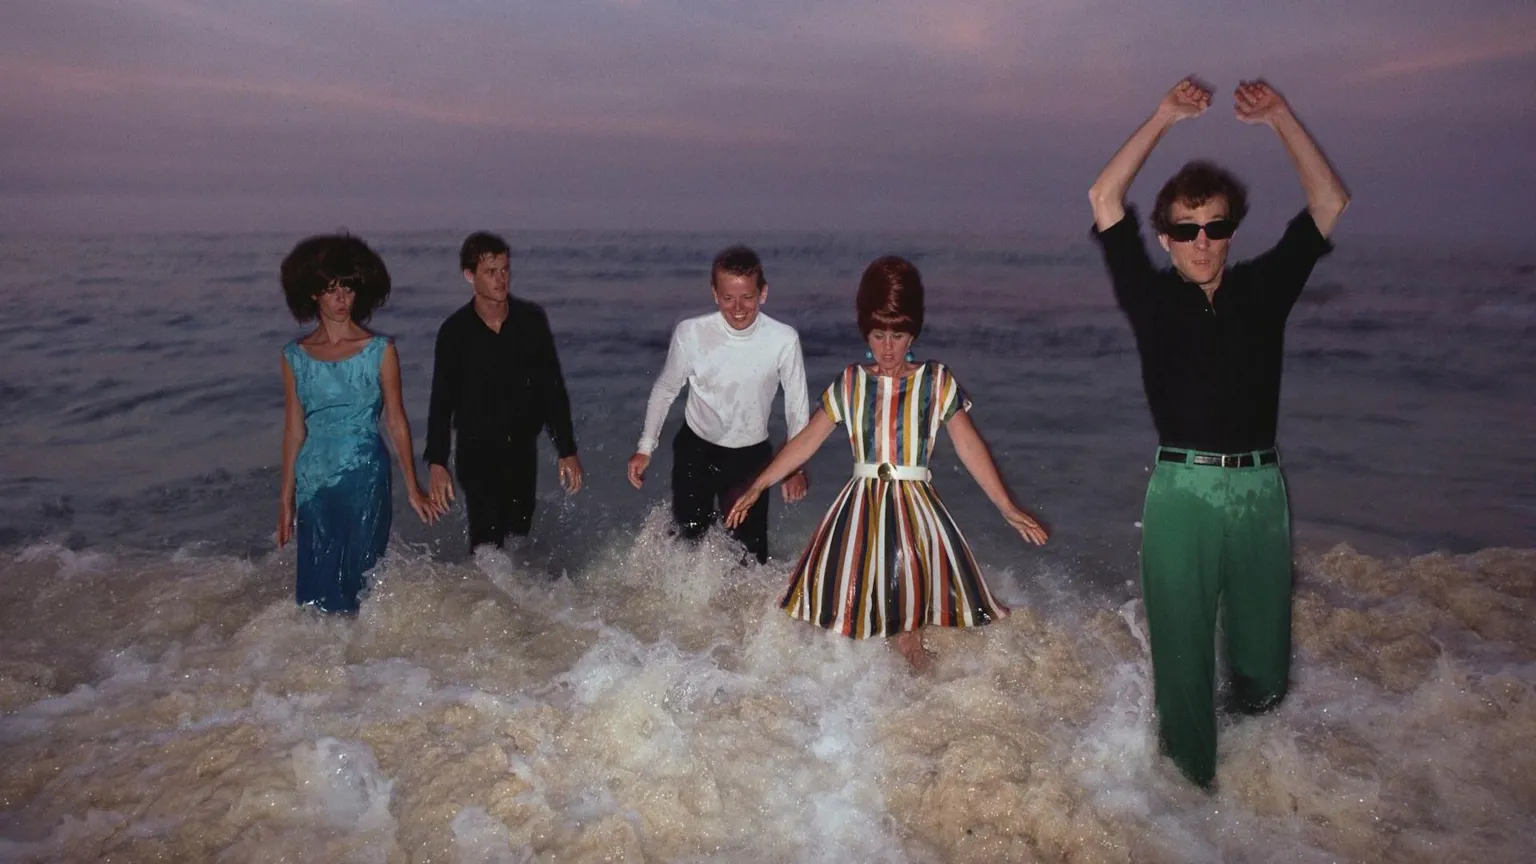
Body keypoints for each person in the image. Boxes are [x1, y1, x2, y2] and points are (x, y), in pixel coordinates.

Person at [1087, 78, 1350, 789]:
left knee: (1265, 667)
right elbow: (1104, 198)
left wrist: (1283, 118)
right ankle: (1189, 807)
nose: (1201, 243)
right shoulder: (1148, 296)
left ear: (1232, 229)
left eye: (1215, 227)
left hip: (1262, 491)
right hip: (1181, 492)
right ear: (1165, 236)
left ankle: (1255, 784)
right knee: (1182, 664)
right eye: (1184, 229)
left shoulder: (1265, 289)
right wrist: (1164, 116)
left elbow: (1329, 202)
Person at [726, 256, 1048, 669]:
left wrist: (1007, 506)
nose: (888, 347)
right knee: (835, 613)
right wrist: (759, 485)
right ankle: (839, 690)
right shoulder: (851, 382)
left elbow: (970, 447)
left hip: (917, 510)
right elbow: (806, 441)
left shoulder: (936, 380)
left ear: (913, 332)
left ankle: (915, 688)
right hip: (858, 508)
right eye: (878, 335)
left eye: (898, 335)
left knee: (910, 612)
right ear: (866, 331)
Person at [276, 234, 439, 614]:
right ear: (314, 293)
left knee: (363, 579)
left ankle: (363, 661)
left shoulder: (380, 350)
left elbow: (396, 421)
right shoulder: (294, 356)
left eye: (347, 289)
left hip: (365, 474)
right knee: (315, 590)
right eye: (332, 290)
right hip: (314, 479)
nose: (341, 299)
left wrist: (413, 486)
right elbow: (294, 429)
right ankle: (321, 666)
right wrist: (285, 500)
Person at [626, 245, 810, 564]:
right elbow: (666, 388)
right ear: (715, 293)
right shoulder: (692, 333)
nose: (738, 308)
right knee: (690, 538)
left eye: (747, 297)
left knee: (750, 558)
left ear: (763, 293)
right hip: (696, 450)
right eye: (728, 298)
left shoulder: (783, 340)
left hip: (750, 456)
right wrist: (645, 447)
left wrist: (794, 467)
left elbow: (797, 407)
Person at [424, 232, 583, 555]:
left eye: (505, 270)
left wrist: (566, 450)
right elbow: (441, 402)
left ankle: (509, 605)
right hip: (476, 451)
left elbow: (552, 389)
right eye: (491, 272)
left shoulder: (531, 321)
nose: (501, 279)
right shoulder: (455, 331)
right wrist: (437, 462)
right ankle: (481, 601)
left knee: (517, 537)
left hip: (522, 450)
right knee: (486, 541)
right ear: (470, 276)